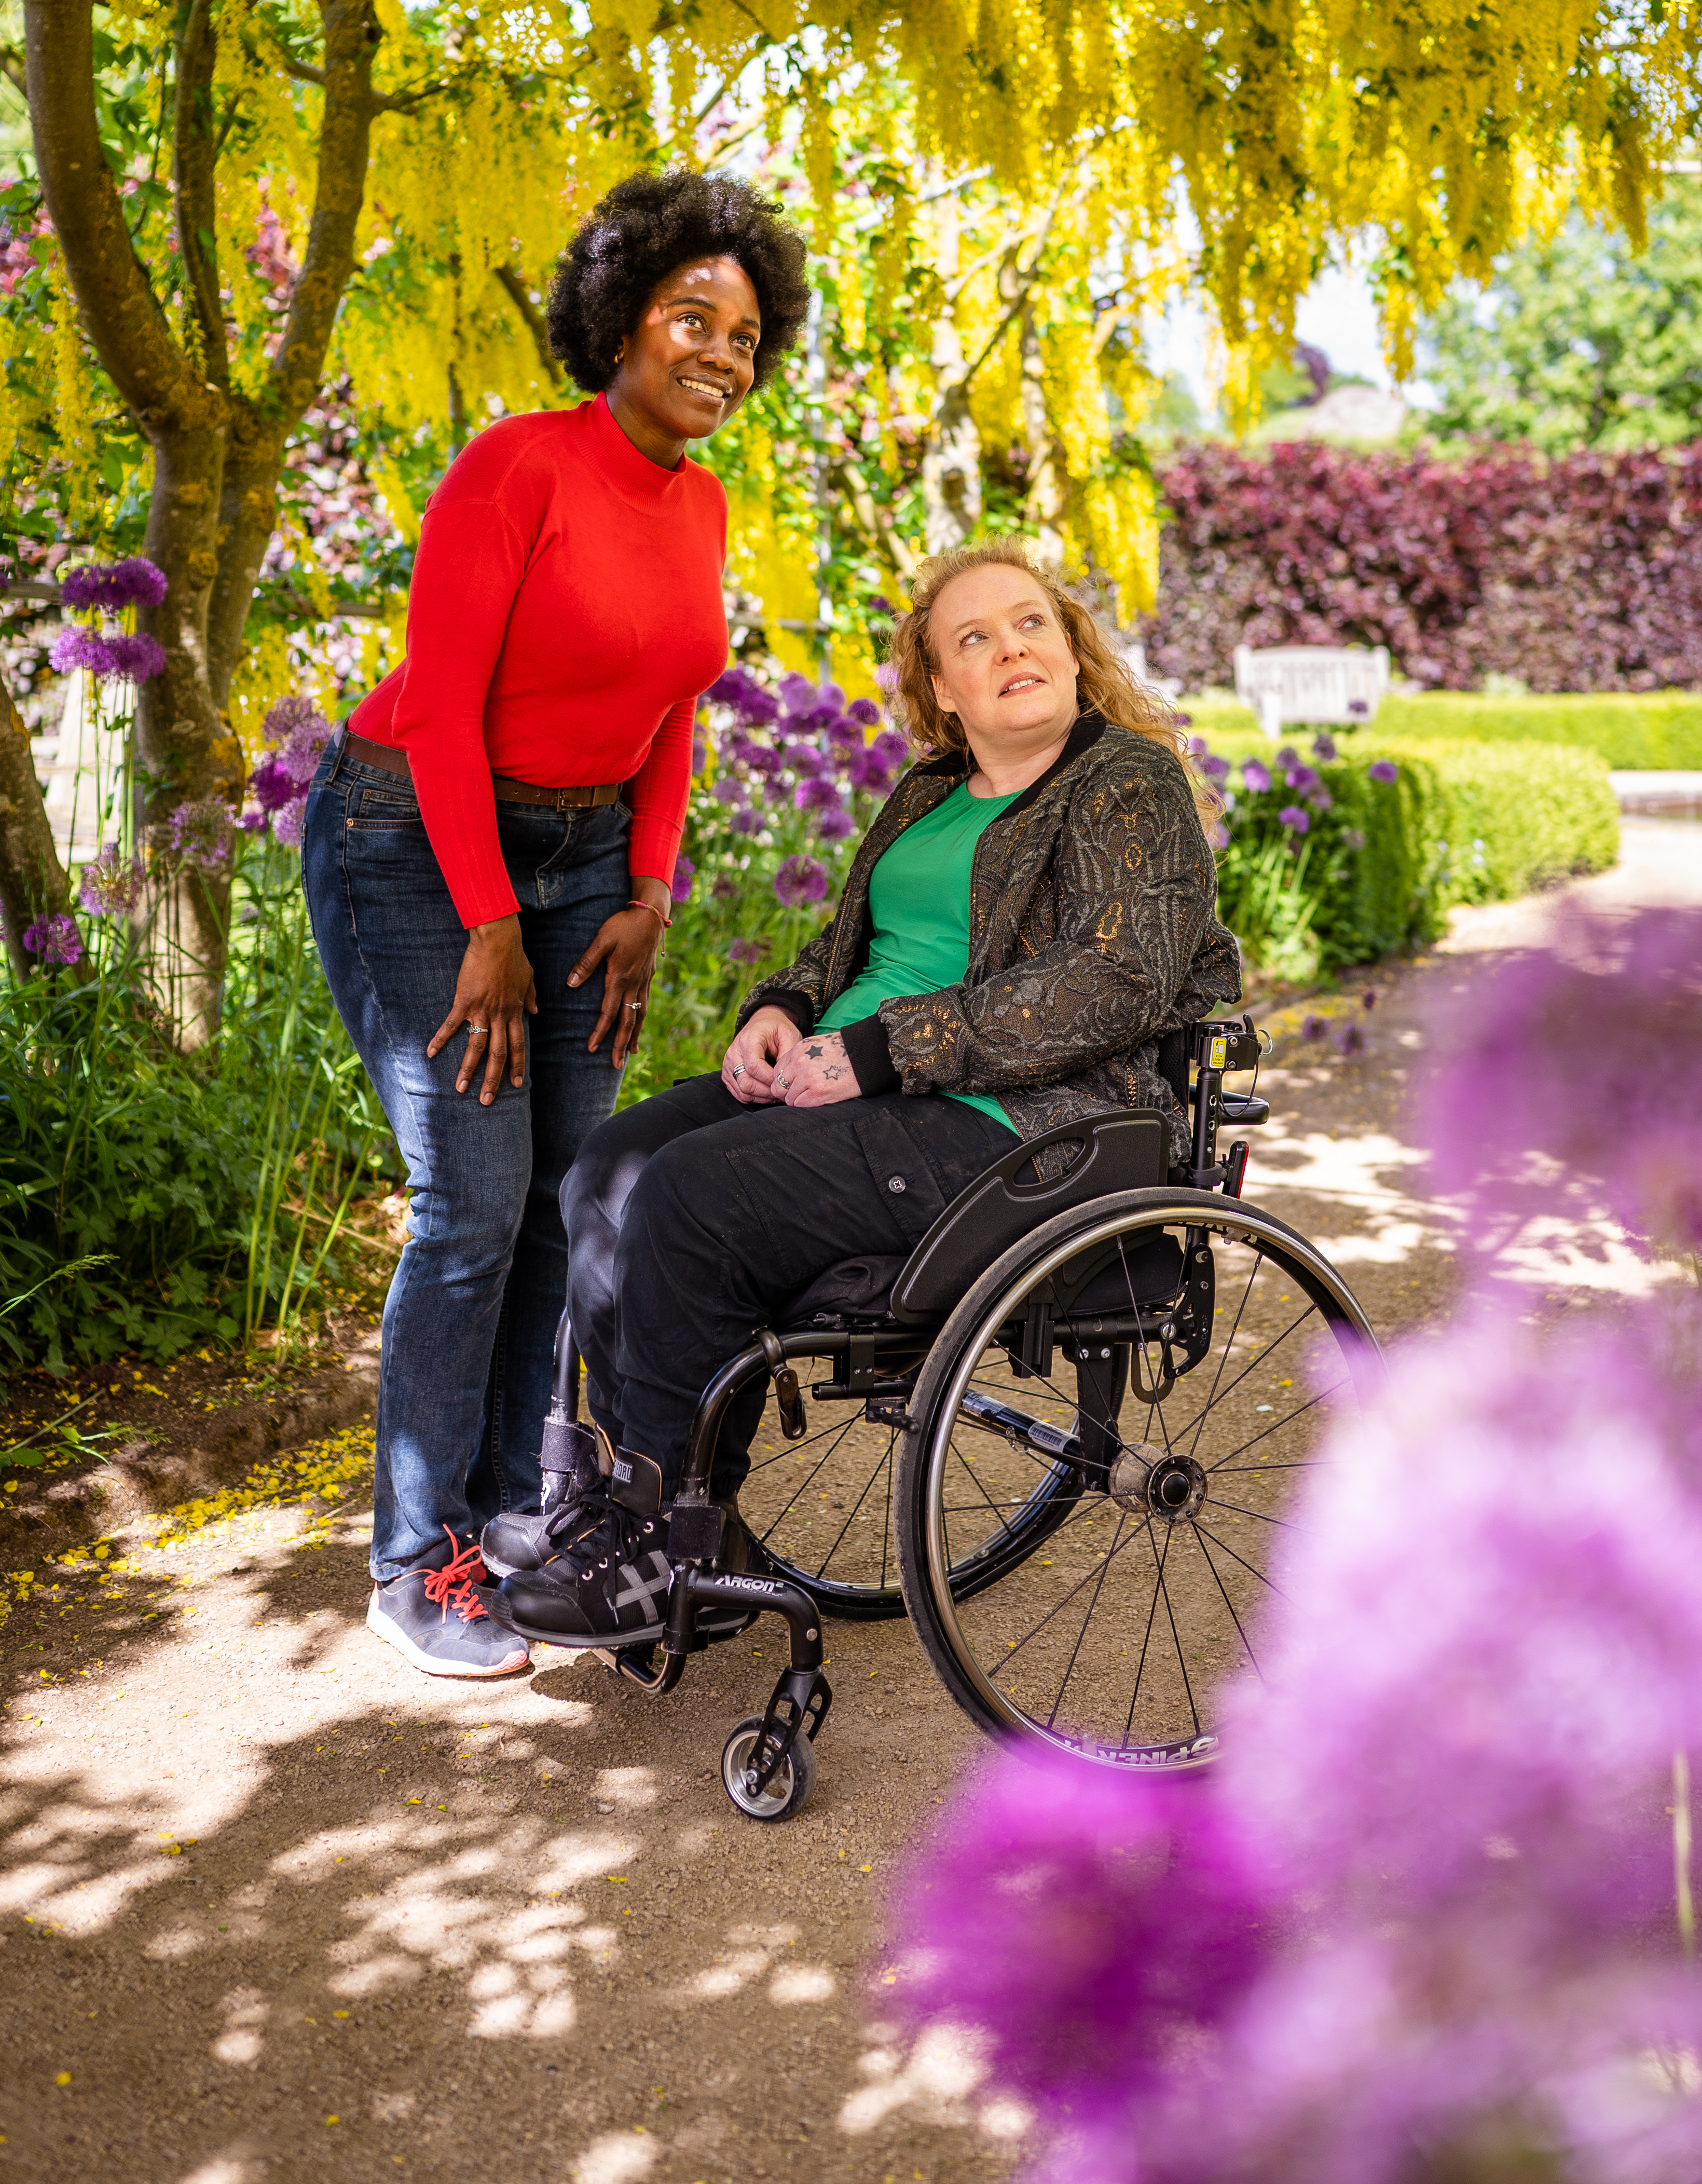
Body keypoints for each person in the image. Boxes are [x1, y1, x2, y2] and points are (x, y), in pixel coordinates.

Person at [486, 538, 1241, 1653]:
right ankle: (653, 1511)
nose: (1010, 649)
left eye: (1031, 625)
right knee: (606, 1170)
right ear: (942, 689)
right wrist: (780, 1011)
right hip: (844, 1082)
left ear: (1074, 653)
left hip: (1017, 1125)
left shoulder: (1123, 782)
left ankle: (660, 1544)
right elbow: (851, 948)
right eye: (973, 639)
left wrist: (888, 1051)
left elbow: (1113, 985)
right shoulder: (928, 792)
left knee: (694, 1195)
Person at [303, 170, 809, 1677]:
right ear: (621, 320)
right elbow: (446, 712)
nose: (722, 352)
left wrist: (648, 891)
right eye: (691, 319)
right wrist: (489, 922)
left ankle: (522, 1515)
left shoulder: (705, 501)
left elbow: (672, 714)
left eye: (747, 331)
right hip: (415, 838)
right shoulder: (514, 469)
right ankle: (416, 1558)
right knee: (467, 1197)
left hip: (589, 867)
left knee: (561, 1191)